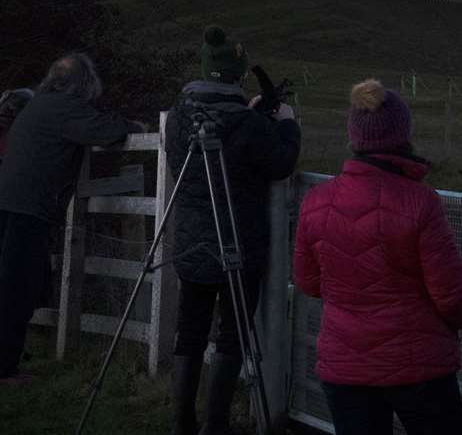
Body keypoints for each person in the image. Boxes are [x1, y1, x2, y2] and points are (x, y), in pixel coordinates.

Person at [294, 79, 462, 435]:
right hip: (419, 365)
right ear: (402, 135)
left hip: (345, 366)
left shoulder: (317, 200)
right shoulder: (420, 201)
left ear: (355, 137)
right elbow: (451, 294)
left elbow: (308, 281)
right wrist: (452, 325)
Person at [167, 26, 301, 435]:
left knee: (189, 329)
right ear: (238, 75)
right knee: (232, 334)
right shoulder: (246, 123)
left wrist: (254, 115)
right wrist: (288, 124)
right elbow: (279, 163)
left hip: (191, 242)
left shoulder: (178, 116)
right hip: (238, 244)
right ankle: (216, 424)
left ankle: (181, 423)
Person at [0, 54, 142, 384]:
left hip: (10, 204)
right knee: (17, 290)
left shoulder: (39, 105)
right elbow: (105, 131)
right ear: (84, 83)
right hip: (27, 209)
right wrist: (133, 128)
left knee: (16, 285)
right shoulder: (64, 107)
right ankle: (4, 370)